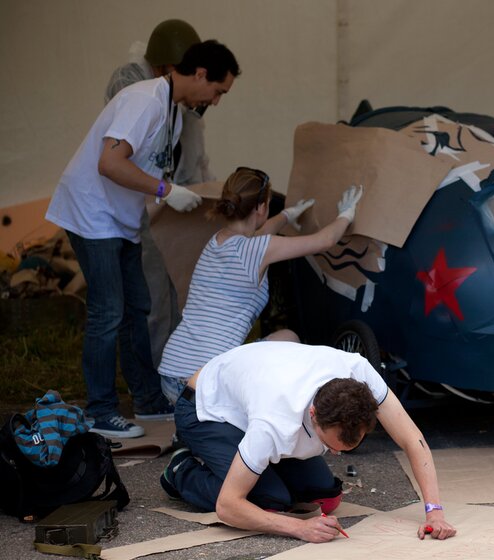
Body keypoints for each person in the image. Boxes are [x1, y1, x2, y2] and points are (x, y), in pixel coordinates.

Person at [45, 40, 241, 438]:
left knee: (138, 307)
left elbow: (142, 166)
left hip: (121, 219)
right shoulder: (145, 100)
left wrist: (166, 191)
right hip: (91, 213)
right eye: (219, 91)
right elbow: (109, 163)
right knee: (107, 312)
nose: (217, 101)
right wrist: (166, 191)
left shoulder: (174, 112)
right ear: (200, 73)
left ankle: (148, 399)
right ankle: (99, 411)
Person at [161, 341, 457, 542]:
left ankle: (251, 467)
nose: (336, 455)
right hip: (207, 409)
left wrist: (435, 510)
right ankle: (182, 471)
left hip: (252, 392)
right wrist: (299, 528)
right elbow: (228, 507)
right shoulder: (273, 421)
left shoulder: (358, 373)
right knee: (269, 502)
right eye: (331, 446)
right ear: (313, 414)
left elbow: (412, 438)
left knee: (325, 497)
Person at [157, 167, 363, 404]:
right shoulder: (257, 250)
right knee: (289, 339)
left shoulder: (217, 241)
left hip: (171, 375)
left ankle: (188, 424)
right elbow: (324, 241)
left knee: (282, 337)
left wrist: (286, 215)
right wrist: (346, 215)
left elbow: (260, 234)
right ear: (261, 207)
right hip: (203, 384)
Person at [105, 19, 211, 369]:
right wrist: (166, 190)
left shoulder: (184, 113)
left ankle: (178, 372)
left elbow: (193, 160)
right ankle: (150, 380)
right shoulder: (133, 86)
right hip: (139, 208)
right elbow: (124, 156)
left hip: (171, 207)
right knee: (151, 301)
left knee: (181, 295)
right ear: (169, 67)